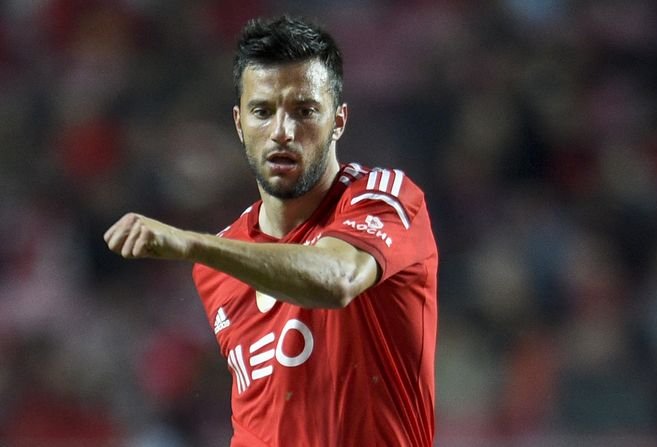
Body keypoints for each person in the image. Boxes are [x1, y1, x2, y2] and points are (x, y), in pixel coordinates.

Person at [104, 15, 438, 447]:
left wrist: (191, 244)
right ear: (239, 123)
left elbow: (337, 279)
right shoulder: (218, 265)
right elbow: (261, 416)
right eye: (263, 112)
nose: (282, 132)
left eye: (304, 111)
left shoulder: (384, 197)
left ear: (338, 121)